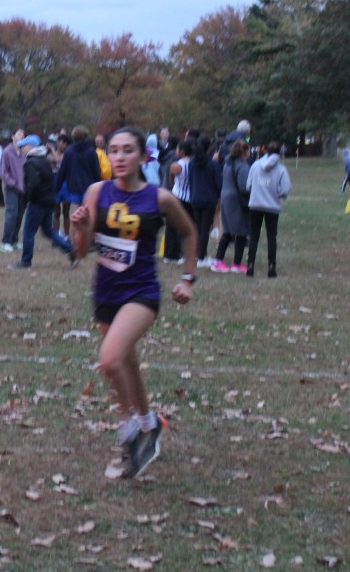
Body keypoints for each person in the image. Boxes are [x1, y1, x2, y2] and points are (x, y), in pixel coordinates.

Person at [70, 127, 198, 479]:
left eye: (128, 150)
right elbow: (80, 251)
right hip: (106, 291)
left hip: (141, 291)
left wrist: (188, 279)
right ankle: (147, 422)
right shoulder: (97, 192)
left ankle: (128, 427)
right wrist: (80, 227)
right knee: (126, 361)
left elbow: (188, 232)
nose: (120, 156)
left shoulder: (159, 198)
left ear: (143, 157)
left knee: (110, 359)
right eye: (114, 150)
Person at [10, 135, 74, 269]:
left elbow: (33, 184)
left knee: (28, 232)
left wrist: (27, 199)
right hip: (49, 201)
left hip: (38, 202)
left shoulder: (31, 163)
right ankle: (71, 250)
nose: (21, 149)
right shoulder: (44, 160)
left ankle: (26, 261)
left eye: (23, 146)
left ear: (30, 147)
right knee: (48, 231)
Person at [246, 141, 291, 278]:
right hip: (272, 207)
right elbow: (285, 190)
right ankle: (272, 267)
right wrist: (276, 193)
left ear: (266, 151)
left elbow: (248, 186)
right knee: (271, 237)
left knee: (254, 236)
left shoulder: (255, 165)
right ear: (280, 153)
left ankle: (250, 265)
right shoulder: (281, 169)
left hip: (255, 205)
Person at [211, 140, 251, 273]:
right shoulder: (243, 166)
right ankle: (237, 264)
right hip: (237, 201)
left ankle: (218, 261)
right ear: (245, 151)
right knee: (241, 232)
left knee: (227, 231)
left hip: (225, 198)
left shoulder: (228, 164)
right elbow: (244, 187)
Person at [55, 125, 101, 240]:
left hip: (74, 187)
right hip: (89, 187)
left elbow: (62, 171)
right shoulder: (91, 151)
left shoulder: (69, 151)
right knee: (89, 214)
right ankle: (88, 239)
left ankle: (73, 240)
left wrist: (56, 188)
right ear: (85, 136)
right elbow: (96, 171)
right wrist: (99, 187)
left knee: (75, 214)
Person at [188, 135, 222, 268]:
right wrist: (218, 196)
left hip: (196, 198)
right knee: (204, 228)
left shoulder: (192, 162)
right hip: (209, 199)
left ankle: (197, 253)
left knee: (197, 227)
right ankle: (201, 256)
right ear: (208, 148)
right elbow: (218, 183)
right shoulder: (212, 164)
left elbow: (190, 180)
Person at [0, 129, 27, 252]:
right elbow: (3, 172)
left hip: (23, 189)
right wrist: (14, 184)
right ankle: (5, 242)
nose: (22, 136)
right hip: (12, 189)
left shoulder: (24, 153)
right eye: (19, 134)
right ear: (12, 136)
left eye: (23, 135)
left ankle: (14, 240)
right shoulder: (7, 152)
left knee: (19, 215)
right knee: (11, 214)